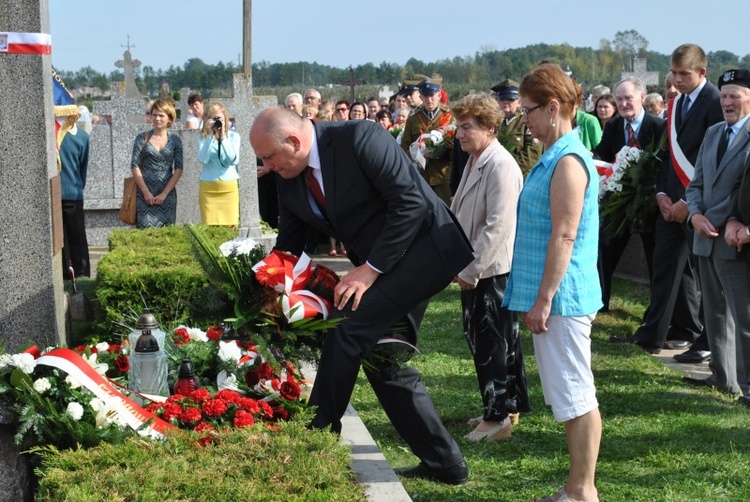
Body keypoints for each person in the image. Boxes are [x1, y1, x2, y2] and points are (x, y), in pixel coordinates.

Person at [249, 108, 474, 485]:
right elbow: (289, 248)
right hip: (386, 263)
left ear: (293, 141)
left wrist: (370, 269)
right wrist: (260, 287)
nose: (267, 166)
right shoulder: (288, 176)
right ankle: (444, 463)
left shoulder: (360, 138)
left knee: (348, 327)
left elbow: (410, 203)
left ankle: (315, 441)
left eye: (269, 156)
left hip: (426, 249)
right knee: (383, 355)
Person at [504, 63, 602, 502]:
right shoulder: (556, 153)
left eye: (527, 110)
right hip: (554, 296)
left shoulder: (568, 160)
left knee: (576, 394)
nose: (524, 119)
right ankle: (576, 488)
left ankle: (581, 492)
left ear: (554, 107)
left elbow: (564, 234)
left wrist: (543, 299)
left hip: (562, 298)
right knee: (569, 393)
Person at [630, 44, 723, 359]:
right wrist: (661, 194)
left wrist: (688, 201)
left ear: (702, 72)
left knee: (704, 275)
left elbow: (712, 159)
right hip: (670, 201)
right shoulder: (677, 103)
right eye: (674, 72)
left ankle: (708, 342)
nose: (677, 79)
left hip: (700, 205)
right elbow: (670, 155)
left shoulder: (714, 103)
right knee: (666, 267)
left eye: (684, 74)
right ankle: (656, 333)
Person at [449, 93, 530, 442]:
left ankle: (497, 419)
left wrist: (471, 270)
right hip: (480, 267)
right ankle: (504, 407)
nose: (459, 134)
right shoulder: (476, 158)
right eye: (458, 126)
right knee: (493, 340)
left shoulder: (500, 164)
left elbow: (498, 225)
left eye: (467, 127)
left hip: (492, 269)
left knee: (492, 343)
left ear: (490, 128)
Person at [685, 69, 750, 395]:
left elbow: (740, 192)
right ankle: (722, 378)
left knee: (743, 318)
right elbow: (696, 183)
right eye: (724, 96)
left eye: (734, 96)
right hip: (704, 237)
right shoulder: (713, 133)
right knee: (714, 313)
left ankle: (746, 384)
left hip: (732, 239)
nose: (727, 102)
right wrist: (695, 214)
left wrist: (714, 218)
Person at [593, 78, 664, 313]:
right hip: (619, 204)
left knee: (656, 256)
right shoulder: (614, 126)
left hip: (650, 204)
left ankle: (657, 310)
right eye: (619, 99)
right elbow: (602, 153)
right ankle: (600, 303)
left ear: (642, 98)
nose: (624, 104)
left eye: (628, 98)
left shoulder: (657, 126)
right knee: (604, 246)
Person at [130, 98, 183, 228]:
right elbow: (134, 165)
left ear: (169, 119)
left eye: (161, 115)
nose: (157, 119)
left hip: (167, 193)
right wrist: (146, 192)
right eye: (154, 115)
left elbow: (179, 168)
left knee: (167, 234)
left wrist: (164, 194)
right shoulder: (142, 137)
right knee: (145, 235)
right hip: (145, 192)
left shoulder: (175, 140)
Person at [401, 78, 454, 205]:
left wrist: (452, 148)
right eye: (425, 96)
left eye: (432, 96)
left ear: (439, 95)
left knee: (447, 213)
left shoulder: (450, 116)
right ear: (420, 97)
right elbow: (405, 146)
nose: (429, 100)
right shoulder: (413, 119)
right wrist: (415, 156)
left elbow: (460, 145)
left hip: (444, 176)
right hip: (421, 176)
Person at [58, 104, 91, 279]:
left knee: (78, 236)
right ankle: (64, 273)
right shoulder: (54, 136)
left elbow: (82, 167)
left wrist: (77, 187)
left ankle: (82, 273)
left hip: (73, 194)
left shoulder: (83, 137)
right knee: (60, 241)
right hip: (55, 195)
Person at [197, 103, 240, 226]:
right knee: (210, 227)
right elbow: (202, 159)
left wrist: (223, 138)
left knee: (231, 225)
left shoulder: (233, 137)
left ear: (225, 119)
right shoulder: (203, 138)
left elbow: (234, 160)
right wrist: (210, 136)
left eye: (219, 119)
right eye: (214, 119)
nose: (217, 122)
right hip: (208, 188)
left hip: (229, 188)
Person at [491, 79, 544, 175]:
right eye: (502, 99)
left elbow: (532, 154)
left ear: (519, 102)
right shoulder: (492, 122)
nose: (505, 102)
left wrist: (507, 170)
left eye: (511, 99)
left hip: (520, 178)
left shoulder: (526, 121)